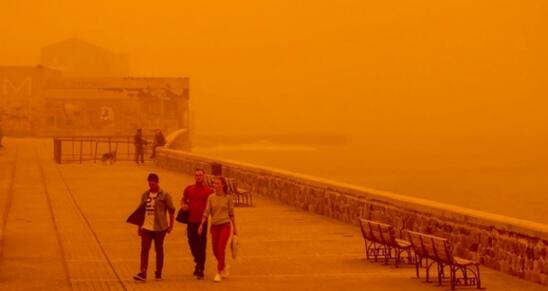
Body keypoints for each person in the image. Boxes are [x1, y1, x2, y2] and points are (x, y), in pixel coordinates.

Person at [133, 173, 175, 282]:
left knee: (159, 249)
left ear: (157, 182)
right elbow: (140, 212)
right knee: (144, 249)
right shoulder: (145, 195)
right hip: (146, 227)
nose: (151, 186)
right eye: (149, 184)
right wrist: (139, 227)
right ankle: (143, 272)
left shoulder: (165, 195)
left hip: (160, 228)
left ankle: (158, 272)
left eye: (153, 184)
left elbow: (171, 211)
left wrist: (171, 226)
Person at [198, 176, 237, 283]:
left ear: (223, 185)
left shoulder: (228, 198)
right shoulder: (211, 197)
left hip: (225, 225)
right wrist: (202, 224)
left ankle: (219, 272)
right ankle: (224, 265)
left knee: (221, 248)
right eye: (214, 183)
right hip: (214, 226)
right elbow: (206, 212)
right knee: (215, 250)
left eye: (217, 183)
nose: (214, 185)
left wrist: (235, 229)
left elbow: (231, 214)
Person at [181, 168, 213, 279]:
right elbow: (183, 200)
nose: (198, 177)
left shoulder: (208, 191)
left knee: (201, 245)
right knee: (191, 242)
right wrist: (183, 206)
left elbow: (211, 206)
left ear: (204, 176)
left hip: (202, 222)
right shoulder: (189, 189)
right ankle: (198, 260)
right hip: (191, 221)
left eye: (200, 175)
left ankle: (200, 269)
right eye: (197, 175)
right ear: (194, 177)